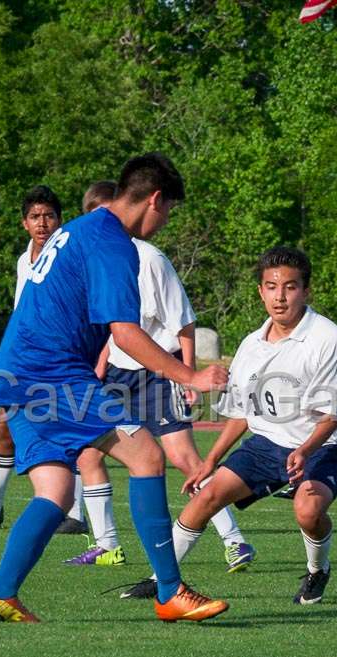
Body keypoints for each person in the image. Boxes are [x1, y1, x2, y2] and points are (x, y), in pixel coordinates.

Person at [0, 152, 230, 624]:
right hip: (53, 373)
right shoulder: (114, 244)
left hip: (17, 373)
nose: (166, 221)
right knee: (147, 455)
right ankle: (170, 591)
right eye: (169, 210)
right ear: (153, 199)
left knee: (54, 492)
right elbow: (126, 331)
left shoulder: (79, 227)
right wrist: (190, 375)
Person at [120, 246, 337, 605]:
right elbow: (242, 413)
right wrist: (210, 461)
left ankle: (317, 570)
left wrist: (304, 450)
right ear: (261, 291)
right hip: (267, 443)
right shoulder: (251, 344)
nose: (280, 297)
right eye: (271, 286)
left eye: (291, 287)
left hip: (325, 444)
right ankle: (162, 579)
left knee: (308, 511)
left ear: (306, 291)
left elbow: (331, 416)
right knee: (207, 496)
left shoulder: (329, 340)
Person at [65, 181, 255, 571]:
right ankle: (107, 546)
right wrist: (101, 361)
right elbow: (114, 325)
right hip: (120, 372)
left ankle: (235, 541)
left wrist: (188, 376)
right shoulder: (100, 261)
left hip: (159, 372)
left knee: (184, 458)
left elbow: (183, 322)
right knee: (87, 451)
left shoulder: (150, 259)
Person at [0, 185, 87, 536]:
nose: (42, 223)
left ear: (61, 221)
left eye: (48, 216)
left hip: (64, 358)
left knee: (70, 430)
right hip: (27, 357)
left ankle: (74, 514)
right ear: (24, 224)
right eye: (35, 217)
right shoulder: (24, 259)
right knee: (5, 425)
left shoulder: (72, 256)